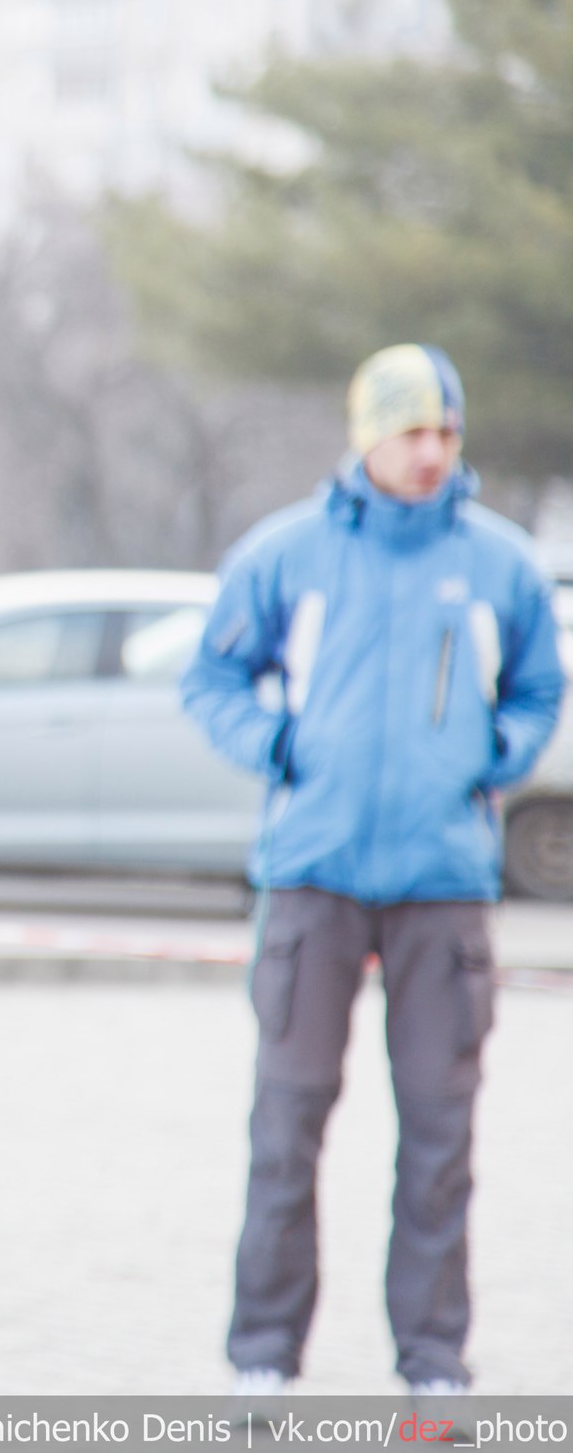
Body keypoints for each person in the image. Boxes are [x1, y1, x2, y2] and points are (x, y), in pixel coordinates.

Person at [183, 342, 561, 1397]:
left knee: (440, 1134)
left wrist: (491, 761)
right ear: (366, 436)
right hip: (312, 877)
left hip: (446, 885)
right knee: (286, 1123)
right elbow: (212, 677)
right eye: (411, 430)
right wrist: (281, 750)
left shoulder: (496, 563)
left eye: (446, 431)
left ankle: (432, 1360)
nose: (431, 451)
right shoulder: (286, 554)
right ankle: (262, 1356)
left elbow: (538, 688)